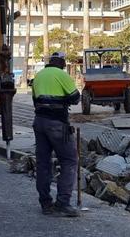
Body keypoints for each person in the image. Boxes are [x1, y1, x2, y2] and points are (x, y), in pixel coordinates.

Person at [31, 52, 81, 217]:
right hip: (57, 124)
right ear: (62, 63)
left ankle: (45, 203)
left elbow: (35, 101)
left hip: (39, 122)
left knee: (43, 163)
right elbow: (75, 97)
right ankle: (63, 203)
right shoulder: (62, 75)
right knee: (69, 160)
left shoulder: (38, 76)